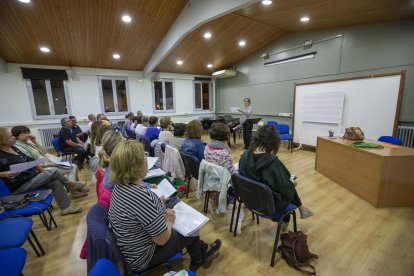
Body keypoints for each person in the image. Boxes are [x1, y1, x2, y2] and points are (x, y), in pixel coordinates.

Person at [108, 140, 221, 272]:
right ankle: (198, 259)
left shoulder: (119, 187)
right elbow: (162, 239)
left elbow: (139, 213)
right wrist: (169, 221)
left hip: (131, 252)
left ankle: (202, 251)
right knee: (192, 227)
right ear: (137, 166)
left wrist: (157, 205)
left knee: (186, 225)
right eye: (144, 157)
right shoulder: (142, 197)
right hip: (144, 258)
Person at [238, 125, 313, 231]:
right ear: (274, 143)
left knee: (283, 185)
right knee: (289, 186)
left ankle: (302, 208)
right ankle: (290, 216)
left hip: (250, 200)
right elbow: (286, 190)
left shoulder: (244, 156)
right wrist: (293, 184)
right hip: (269, 206)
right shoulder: (272, 163)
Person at [0, 127, 82, 215]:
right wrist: (4, 174)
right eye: (10, 136)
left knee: (55, 182)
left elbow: (31, 161)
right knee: (53, 172)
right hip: (19, 185)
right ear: (1, 140)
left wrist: (44, 174)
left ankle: (66, 208)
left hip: (32, 177)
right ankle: (70, 184)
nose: (14, 137)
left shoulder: (14, 148)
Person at [11, 126, 89, 198]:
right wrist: (50, 164)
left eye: (28, 132)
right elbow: (32, 162)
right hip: (42, 167)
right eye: (25, 133)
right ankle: (74, 191)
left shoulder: (28, 143)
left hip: (48, 162)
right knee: (72, 167)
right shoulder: (19, 147)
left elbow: (45, 152)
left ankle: (76, 189)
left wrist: (35, 142)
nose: (28, 134)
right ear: (17, 135)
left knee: (74, 166)